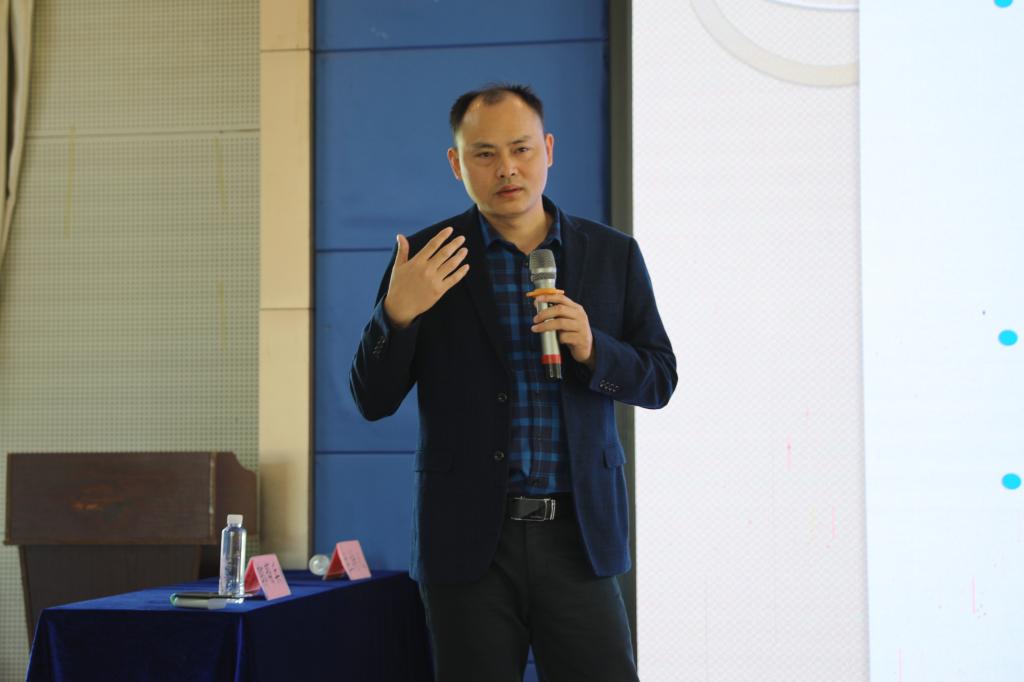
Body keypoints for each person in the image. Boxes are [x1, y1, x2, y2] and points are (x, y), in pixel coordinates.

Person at [350, 83, 676, 682]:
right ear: (457, 163)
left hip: (579, 538)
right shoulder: (426, 259)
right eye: (485, 154)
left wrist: (593, 348)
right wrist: (396, 316)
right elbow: (371, 400)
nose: (507, 168)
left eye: (521, 149)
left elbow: (659, 379)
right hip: (469, 543)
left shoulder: (613, 255)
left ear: (547, 150)